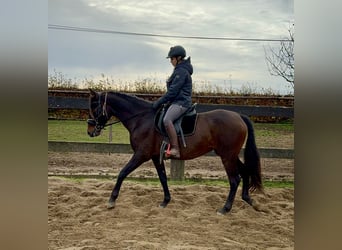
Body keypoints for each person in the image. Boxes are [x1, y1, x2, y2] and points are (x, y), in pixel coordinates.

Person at [152, 45, 193, 158]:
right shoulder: (179, 70)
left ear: (178, 58)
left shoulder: (182, 72)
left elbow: (172, 92)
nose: (170, 61)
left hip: (181, 103)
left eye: (172, 59)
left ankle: (175, 149)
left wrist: (158, 102)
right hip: (177, 101)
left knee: (167, 119)